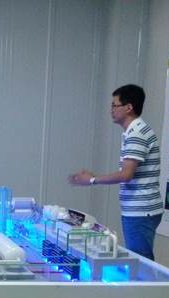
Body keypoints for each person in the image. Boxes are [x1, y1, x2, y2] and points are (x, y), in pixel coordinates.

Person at [69, 84, 163, 260]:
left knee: (141, 262)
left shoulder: (137, 133)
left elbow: (126, 175)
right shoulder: (132, 131)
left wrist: (92, 180)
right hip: (139, 210)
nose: (111, 110)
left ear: (129, 107)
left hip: (140, 211)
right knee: (139, 260)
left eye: (115, 105)